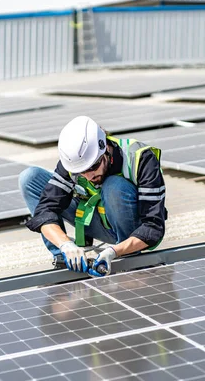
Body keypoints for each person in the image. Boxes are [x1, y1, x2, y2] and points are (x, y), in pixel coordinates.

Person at [18, 115, 167, 276]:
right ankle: (68, 260)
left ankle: (129, 259)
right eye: (81, 172)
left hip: (131, 231)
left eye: (93, 166)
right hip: (94, 221)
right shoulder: (74, 163)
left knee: (113, 185)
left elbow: (153, 227)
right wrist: (65, 244)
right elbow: (44, 211)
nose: (88, 176)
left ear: (105, 149)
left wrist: (114, 251)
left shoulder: (140, 158)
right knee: (30, 178)